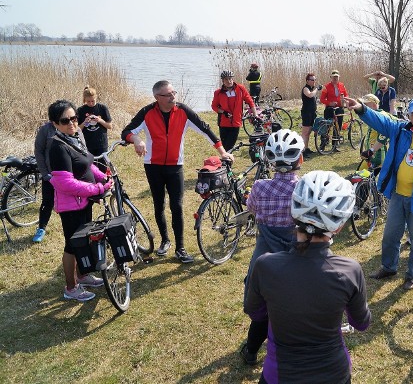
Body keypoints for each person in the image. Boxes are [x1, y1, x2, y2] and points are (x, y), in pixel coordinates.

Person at [244, 170, 371, 384]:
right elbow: (361, 323)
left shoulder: (265, 265)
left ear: (294, 215)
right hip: (334, 374)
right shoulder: (350, 270)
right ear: (338, 227)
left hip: (280, 374)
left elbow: (255, 313)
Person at [122, 80, 233, 263]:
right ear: (157, 97)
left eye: (174, 92)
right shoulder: (147, 112)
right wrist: (135, 139)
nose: (173, 97)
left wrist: (222, 151)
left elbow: (204, 128)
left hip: (175, 166)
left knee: (177, 206)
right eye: (168, 94)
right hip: (153, 165)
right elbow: (126, 131)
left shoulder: (183, 111)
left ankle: (180, 248)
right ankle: (165, 241)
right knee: (159, 204)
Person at [346, 96, 413, 290]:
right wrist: (361, 109)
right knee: (390, 236)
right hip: (398, 194)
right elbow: (380, 120)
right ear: (409, 115)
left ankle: (412, 275)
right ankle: (389, 266)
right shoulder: (400, 130)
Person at [240, 129, 304, 366]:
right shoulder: (305, 189)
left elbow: (253, 210)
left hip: (264, 256)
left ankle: (250, 352)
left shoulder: (259, 187)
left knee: (261, 311)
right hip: (295, 257)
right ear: (300, 159)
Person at [47, 99, 110, 301]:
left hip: (84, 201)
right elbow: (65, 183)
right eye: (65, 120)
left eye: (74, 118)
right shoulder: (57, 146)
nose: (72, 123)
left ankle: (82, 276)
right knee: (72, 246)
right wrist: (97, 188)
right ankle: (71, 287)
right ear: (55, 124)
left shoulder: (74, 138)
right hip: (71, 206)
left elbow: (86, 163)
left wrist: (102, 177)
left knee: (83, 241)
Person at [33, 118, 87, 242]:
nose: (69, 122)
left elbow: (84, 151)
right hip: (51, 176)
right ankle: (41, 227)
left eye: (72, 118)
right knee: (47, 202)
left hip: (73, 177)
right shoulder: (46, 130)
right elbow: (39, 152)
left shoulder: (76, 129)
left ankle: (81, 230)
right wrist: (45, 174)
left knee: (78, 204)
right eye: (63, 118)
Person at [211, 70, 258, 151]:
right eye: (226, 79)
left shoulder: (240, 89)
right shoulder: (218, 93)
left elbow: (250, 102)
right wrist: (223, 112)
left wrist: (255, 115)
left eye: (230, 79)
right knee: (225, 145)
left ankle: (226, 161)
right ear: (223, 81)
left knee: (229, 146)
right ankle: (226, 161)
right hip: (223, 123)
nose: (229, 81)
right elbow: (214, 106)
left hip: (236, 122)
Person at [359, 94, 396, 170]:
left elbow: (384, 135)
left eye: (365, 104)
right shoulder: (373, 116)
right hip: (371, 153)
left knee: (370, 177)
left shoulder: (381, 116)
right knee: (360, 175)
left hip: (379, 154)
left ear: (373, 104)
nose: (363, 107)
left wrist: (372, 150)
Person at [77, 86, 113, 164]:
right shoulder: (80, 110)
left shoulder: (102, 108)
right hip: (87, 144)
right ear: (84, 100)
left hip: (101, 144)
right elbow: (77, 129)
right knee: (90, 168)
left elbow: (109, 126)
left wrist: (100, 120)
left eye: (93, 101)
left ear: (96, 98)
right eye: (88, 101)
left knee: (102, 167)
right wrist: (85, 122)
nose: (90, 103)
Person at [320, 69, 348, 134]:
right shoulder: (326, 87)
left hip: (339, 107)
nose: (335, 79)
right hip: (329, 108)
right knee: (327, 125)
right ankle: (324, 140)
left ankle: (336, 139)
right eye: (334, 77)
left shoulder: (342, 85)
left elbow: (346, 95)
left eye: (337, 77)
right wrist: (330, 103)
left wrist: (345, 101)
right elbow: (322, 99)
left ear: (339, 77)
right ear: (331, 77)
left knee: (338, 123)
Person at [300, 73, 322, 158]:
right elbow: (310, 95)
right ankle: (302, 150)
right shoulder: (306, 88)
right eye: (312, 80)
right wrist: (316, 89)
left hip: (312, 112)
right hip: (306, 113)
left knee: (308, 132)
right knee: (305, 132)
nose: (314, 81)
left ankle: (306, 148)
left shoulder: (312, 88)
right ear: (307, 81)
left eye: (315, 80)